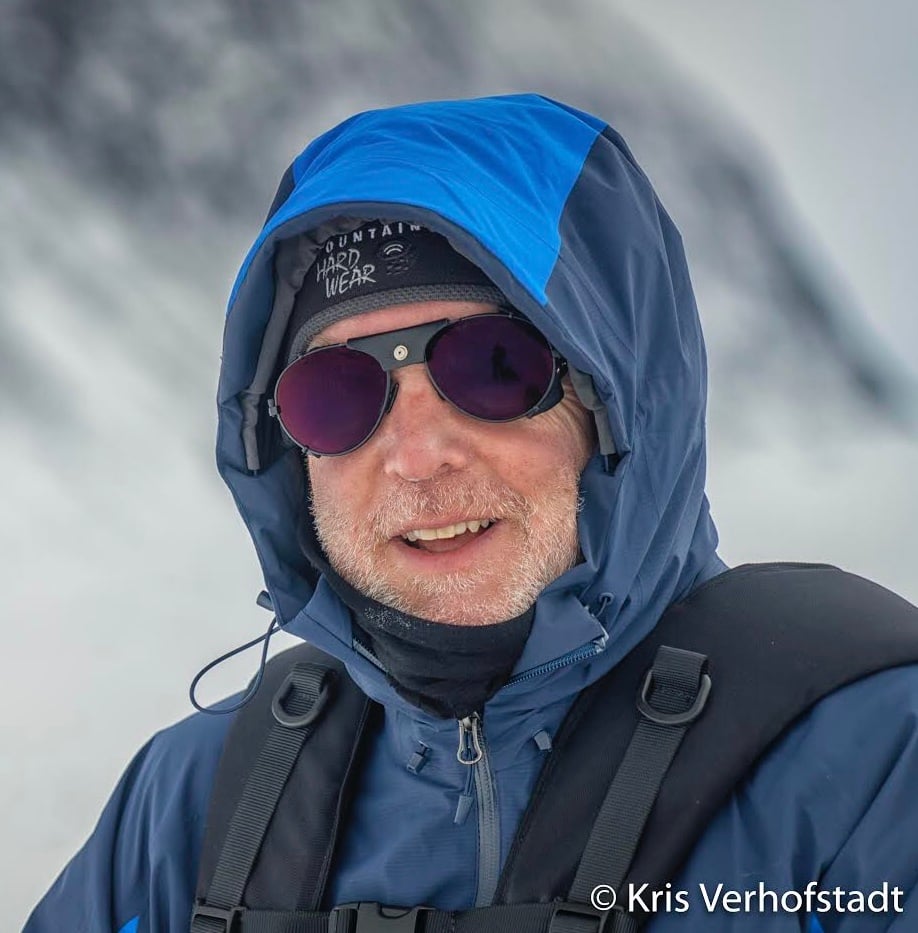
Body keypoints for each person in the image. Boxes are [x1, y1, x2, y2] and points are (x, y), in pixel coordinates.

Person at [25, 95, 918, 933]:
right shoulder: (195, 801)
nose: (417, 455)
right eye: (337, 393)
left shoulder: (875, 762)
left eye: (493, 365)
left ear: (622, 405)